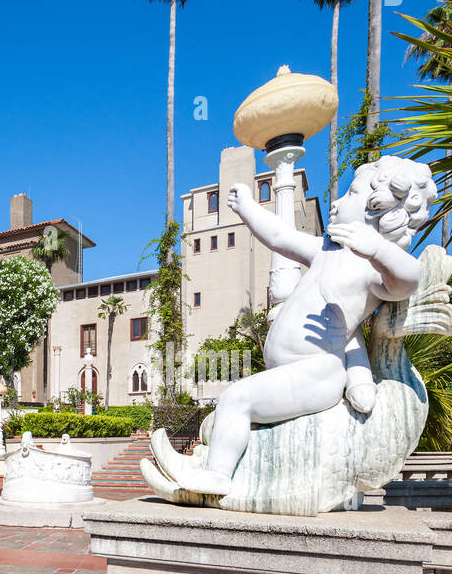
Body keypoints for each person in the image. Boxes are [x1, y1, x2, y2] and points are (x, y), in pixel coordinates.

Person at [166, 155, 436, 496]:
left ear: (378, 210)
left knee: (236, 399)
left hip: (319, 370)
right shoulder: (326, 250)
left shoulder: (370, 269)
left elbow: (408, 280)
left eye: (350, 195)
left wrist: (378, 250)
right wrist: (247, 208)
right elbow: (280, 236)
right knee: (238, 402)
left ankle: (218, 476)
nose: (336, 203)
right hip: (292, 369)